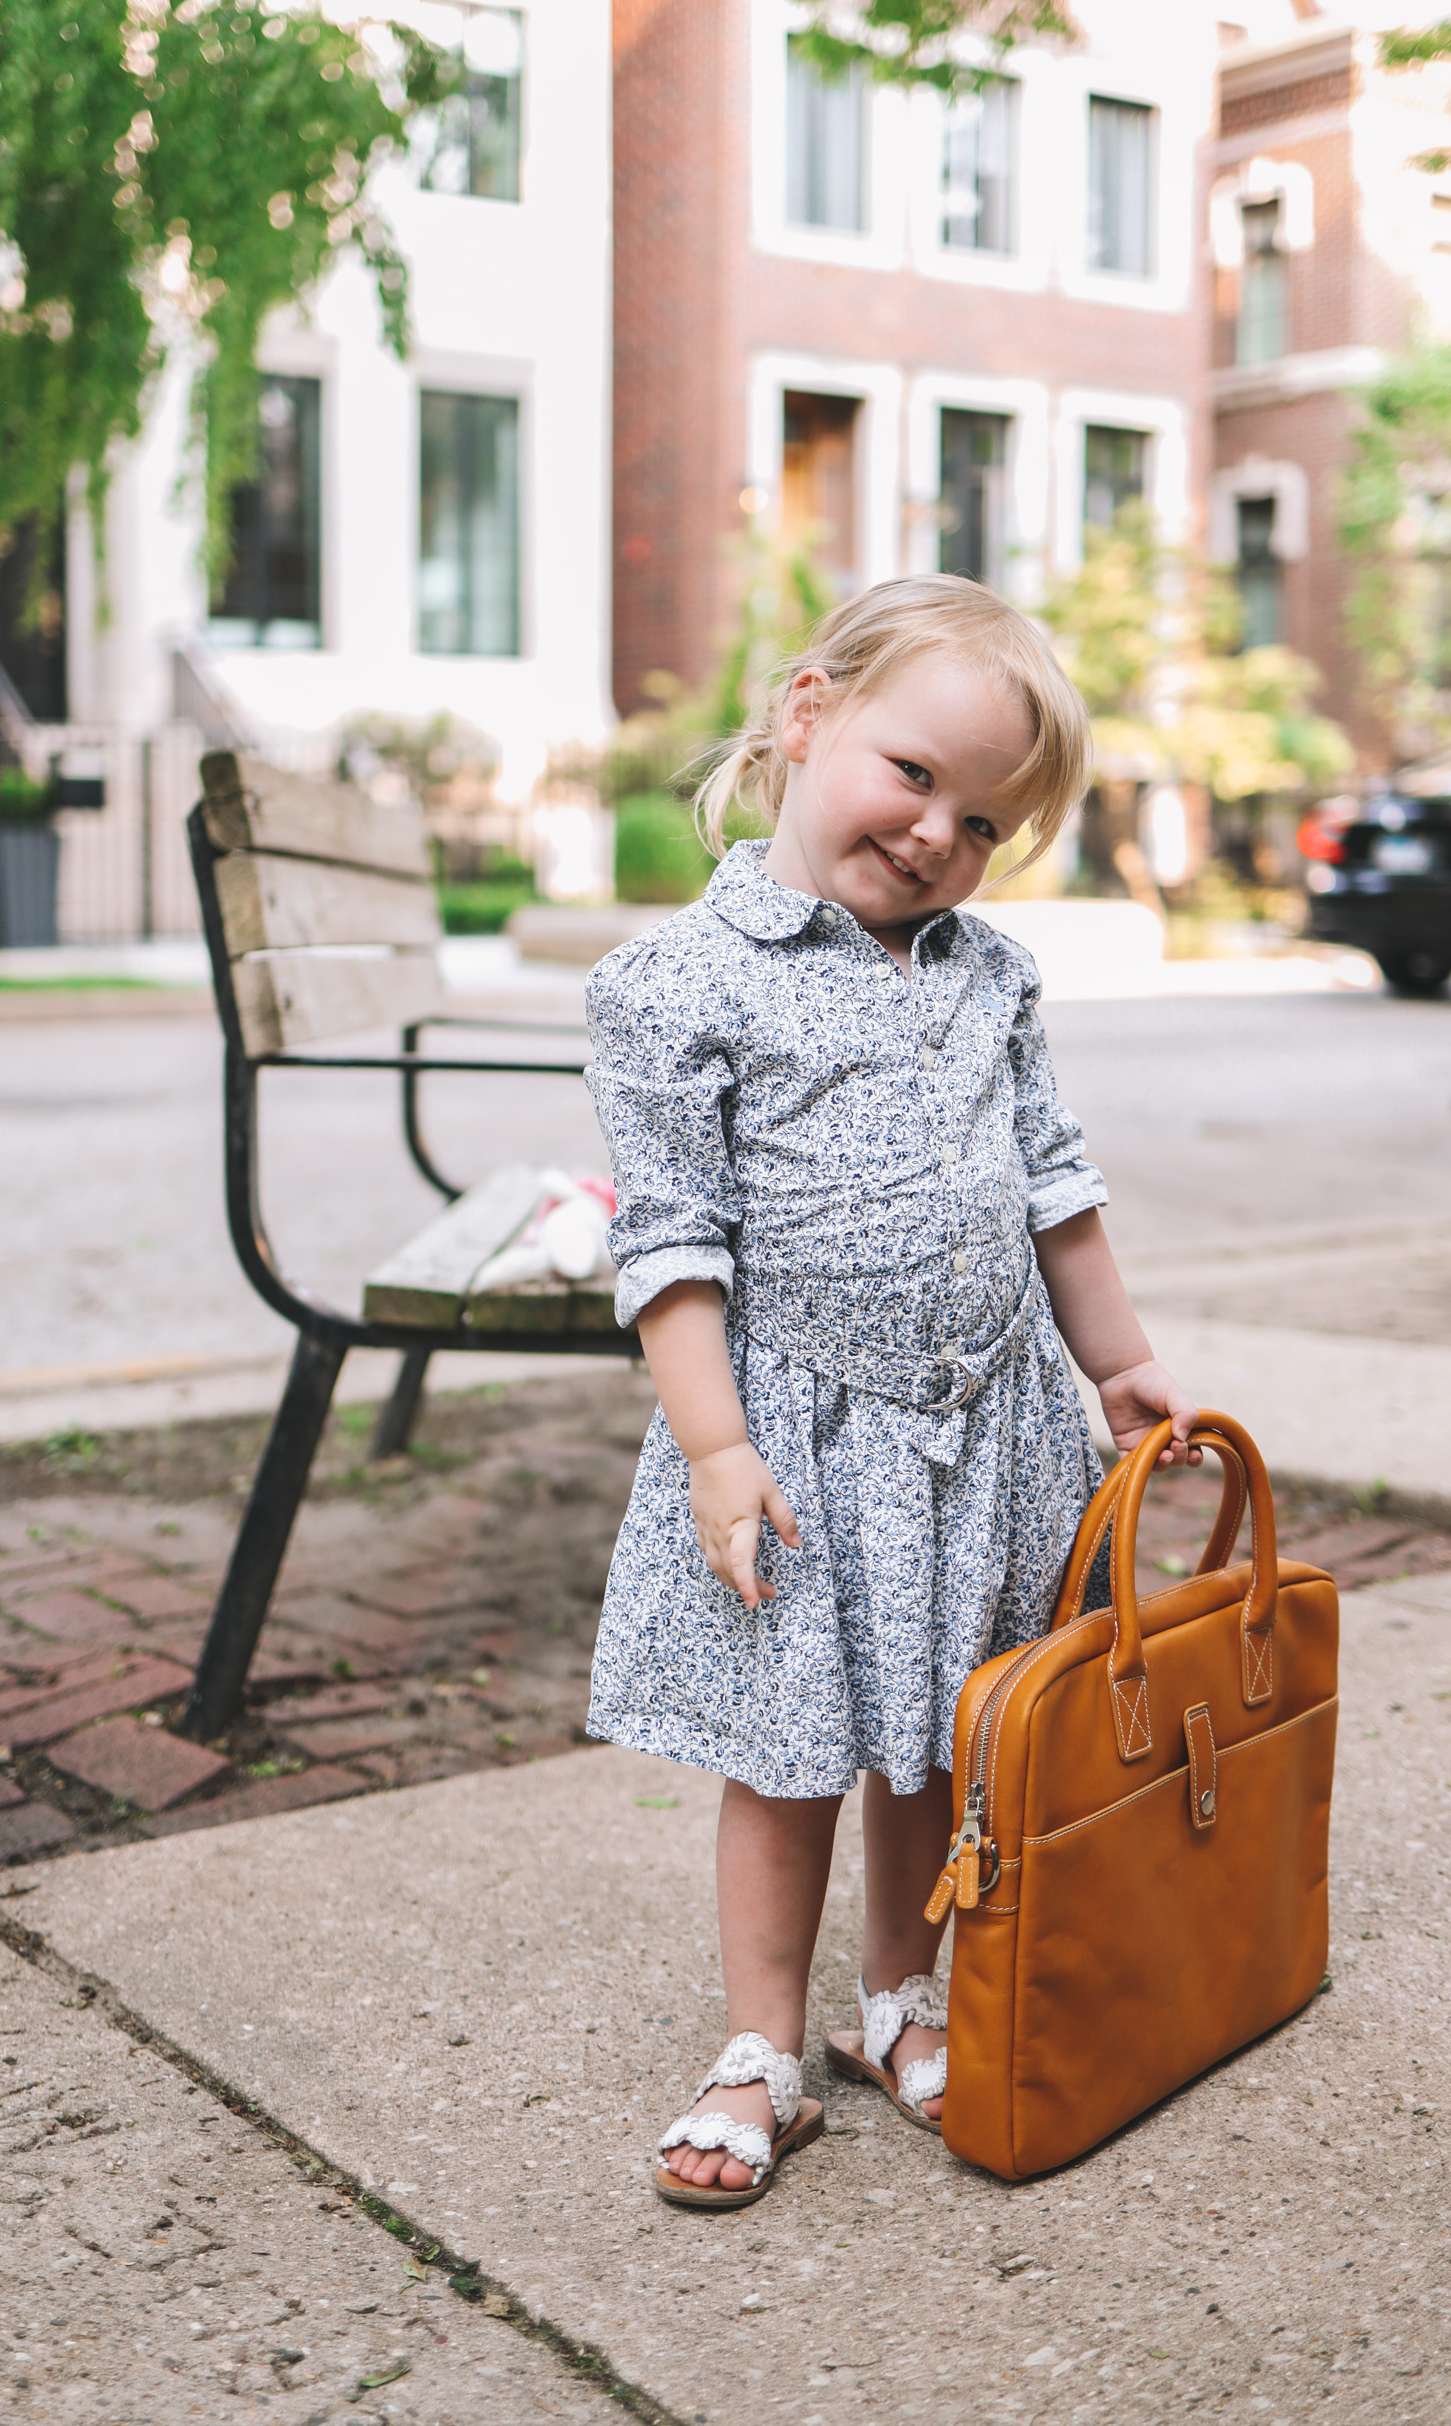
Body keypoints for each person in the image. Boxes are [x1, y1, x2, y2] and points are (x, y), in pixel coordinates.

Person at [583, 575, 1199, 2209]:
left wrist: (1116, 1358)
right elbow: (673, 1247)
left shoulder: (987, 976)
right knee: (789, 1754)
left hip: (983, 1429)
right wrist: (718, 1449)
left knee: (941, 1740)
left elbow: (1054, 1183)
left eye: (985, 819)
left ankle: (898, 2002)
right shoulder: (678, 983)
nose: (939, 835)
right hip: (797, 1435)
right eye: (913, 774)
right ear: (806, 717)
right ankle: (760, 2050)